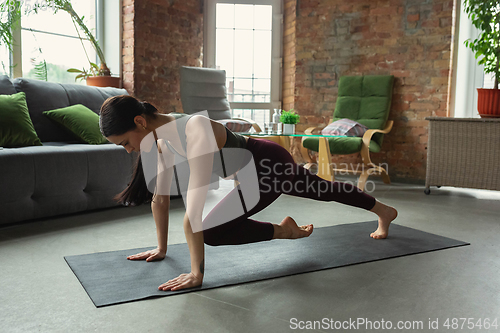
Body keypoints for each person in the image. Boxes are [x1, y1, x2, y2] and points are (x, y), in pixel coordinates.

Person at [100, 95, 398, 292]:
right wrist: (161, 249)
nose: (129, 150)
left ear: (140, 122)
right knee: (213, 230)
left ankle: (374, 212)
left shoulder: (194, 129)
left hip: (269, 164)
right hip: (245, 176)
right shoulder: (161, 142)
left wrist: (196, 275)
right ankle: (291, 229)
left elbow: (194, 209)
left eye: (125, 142)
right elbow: (160, 199)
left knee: (322, 191)